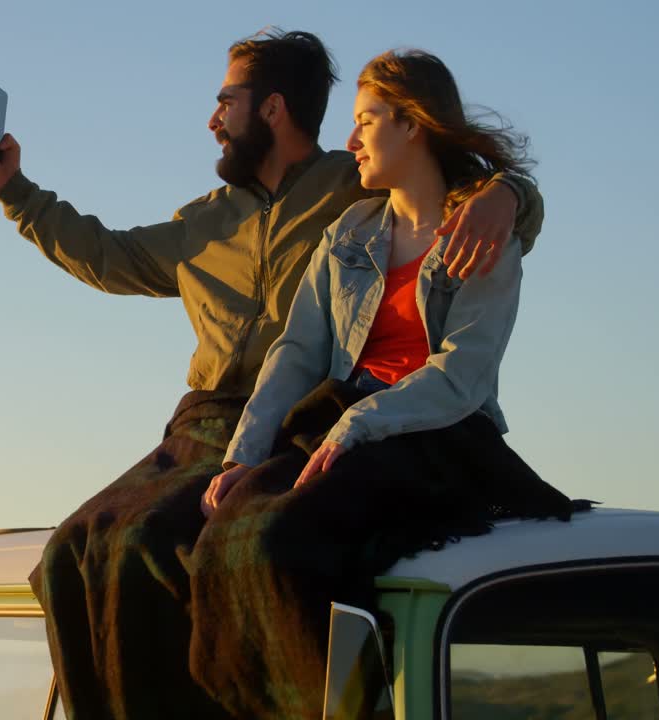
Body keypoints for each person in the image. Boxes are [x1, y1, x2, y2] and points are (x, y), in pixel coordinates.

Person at [0, 30, 543, 720]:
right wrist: (18, 194)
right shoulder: (215, 223)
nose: (213, 120)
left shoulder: (347, 188)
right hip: (218, 418)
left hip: (322, 415)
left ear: (271, 110)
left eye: (226, 102)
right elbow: (109, 255)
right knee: (70, 553)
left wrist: (506, 191)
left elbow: (473, 215)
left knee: (181, 542)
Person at [190, 49, 578, 719]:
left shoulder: (483, 232)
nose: (350, 141)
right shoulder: (351, 230)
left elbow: (463, 374)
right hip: (346, 422)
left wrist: (358, 424)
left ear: (413, 125)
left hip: (438, 435)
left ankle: (348, 709)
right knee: (221, 526)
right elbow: (297, 352)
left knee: (285, 538)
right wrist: (243, 454)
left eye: (366, 120)